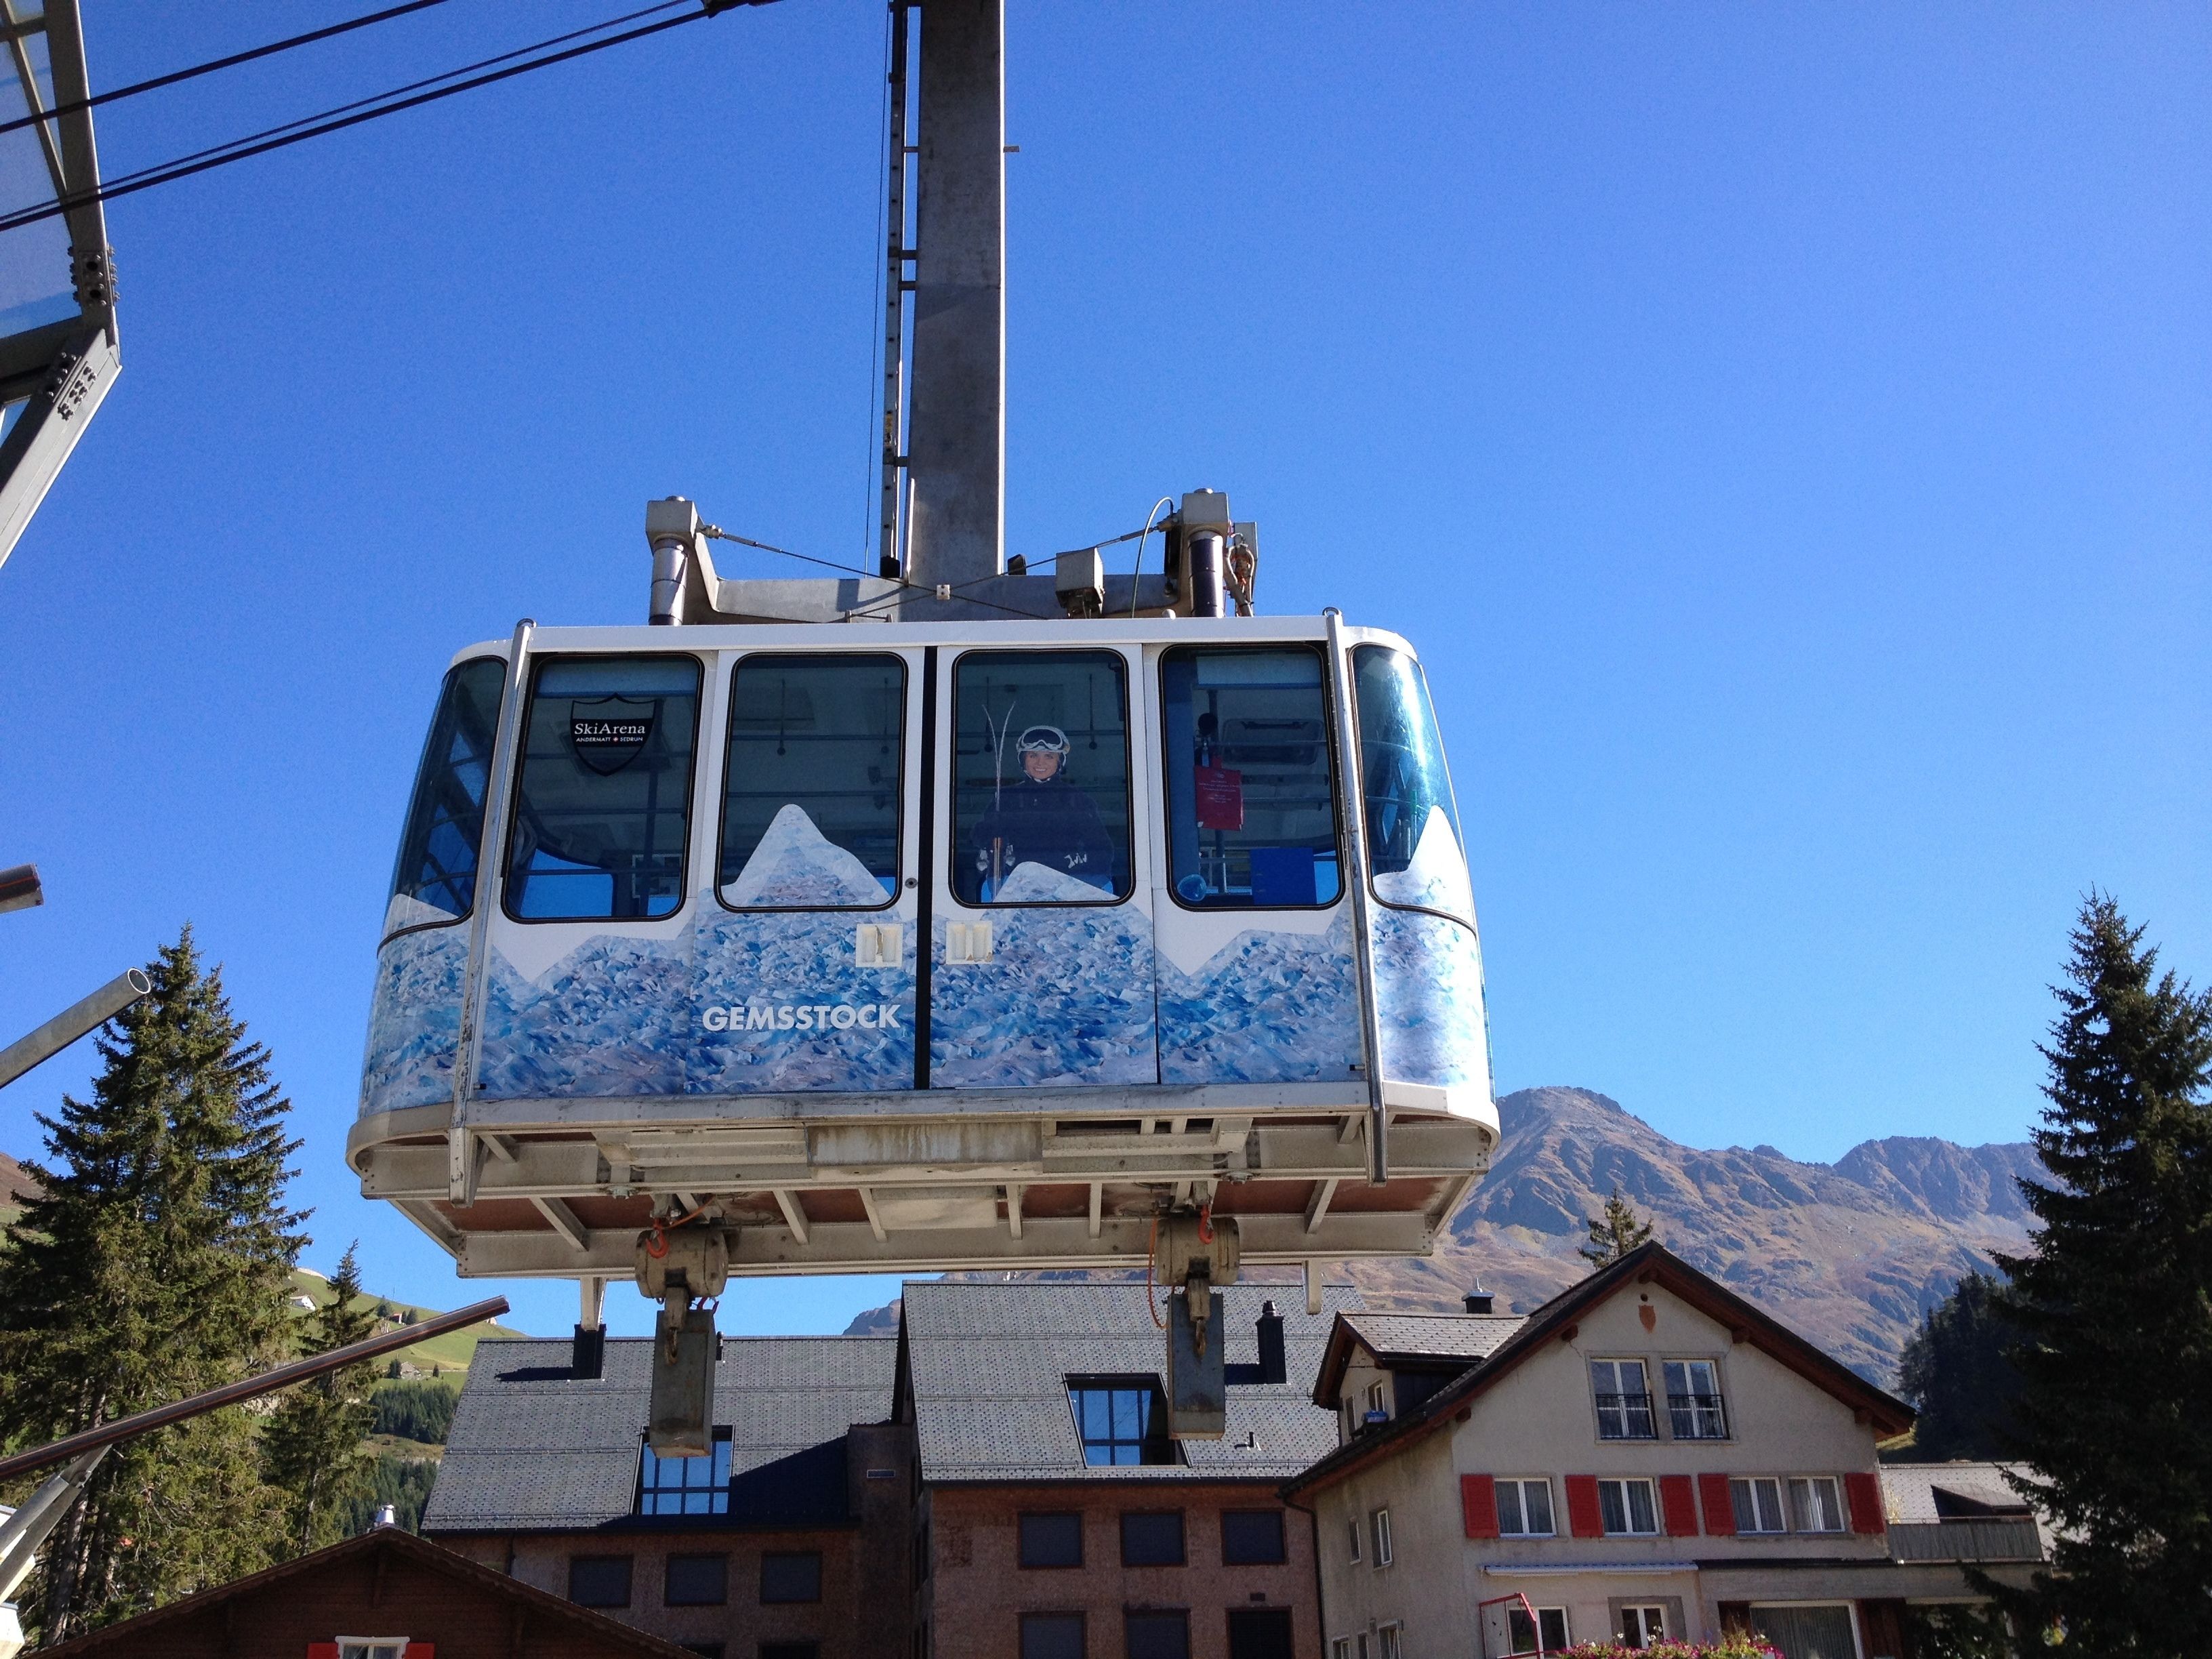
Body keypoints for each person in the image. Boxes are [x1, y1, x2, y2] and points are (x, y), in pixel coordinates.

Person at [970, 724, 1114, 893]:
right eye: (1033, 756)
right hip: (1018, 888)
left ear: (1059, 762)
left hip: (1067, 889)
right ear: (1023, 759)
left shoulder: (1076, 799)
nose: (1040, 763)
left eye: (1049, 757)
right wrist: (990, 833)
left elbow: (1102, 850)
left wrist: (1082, 887)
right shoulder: (1007, 798)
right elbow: (979, 835)